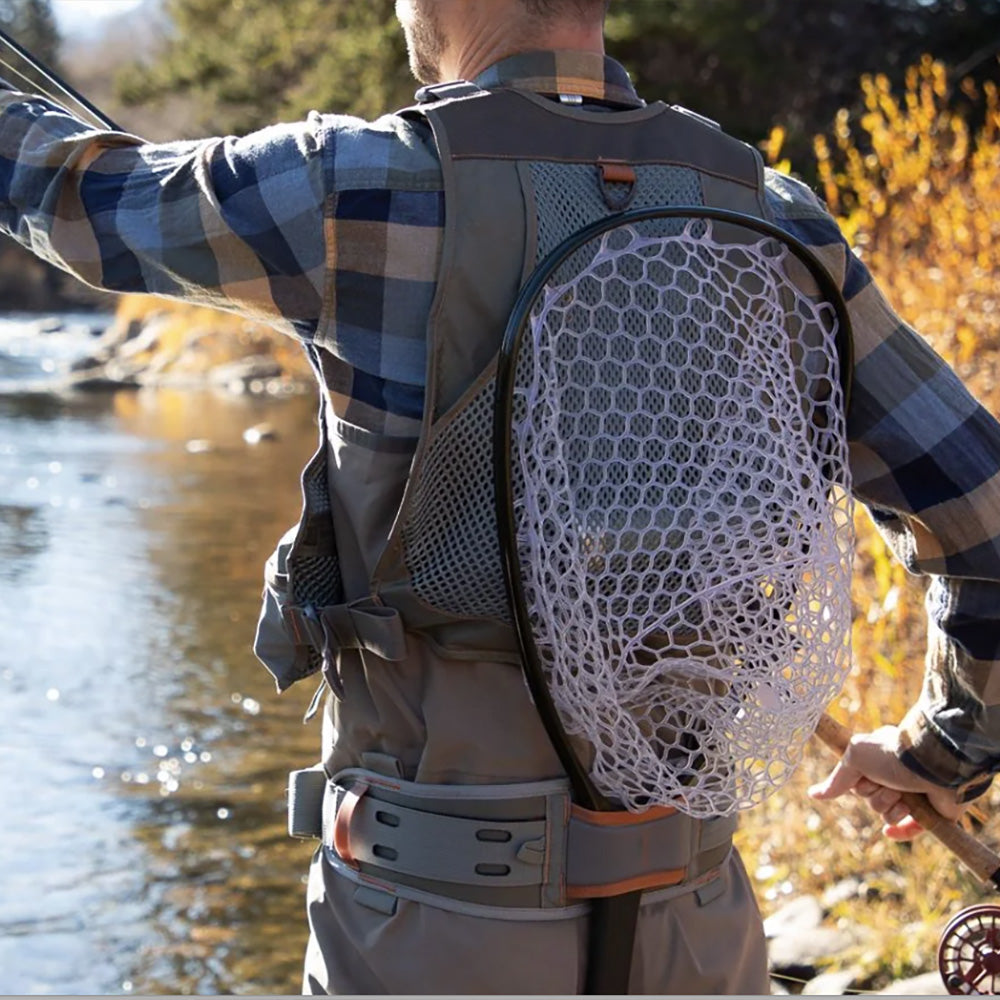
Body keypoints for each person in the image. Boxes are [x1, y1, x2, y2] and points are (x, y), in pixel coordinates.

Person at [1, 0, 1000, 993]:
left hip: (433, 935)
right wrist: (944, 745)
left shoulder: (346, 188)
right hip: (698, 925)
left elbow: (66, 196)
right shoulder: (776, 218)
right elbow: (983, 517)